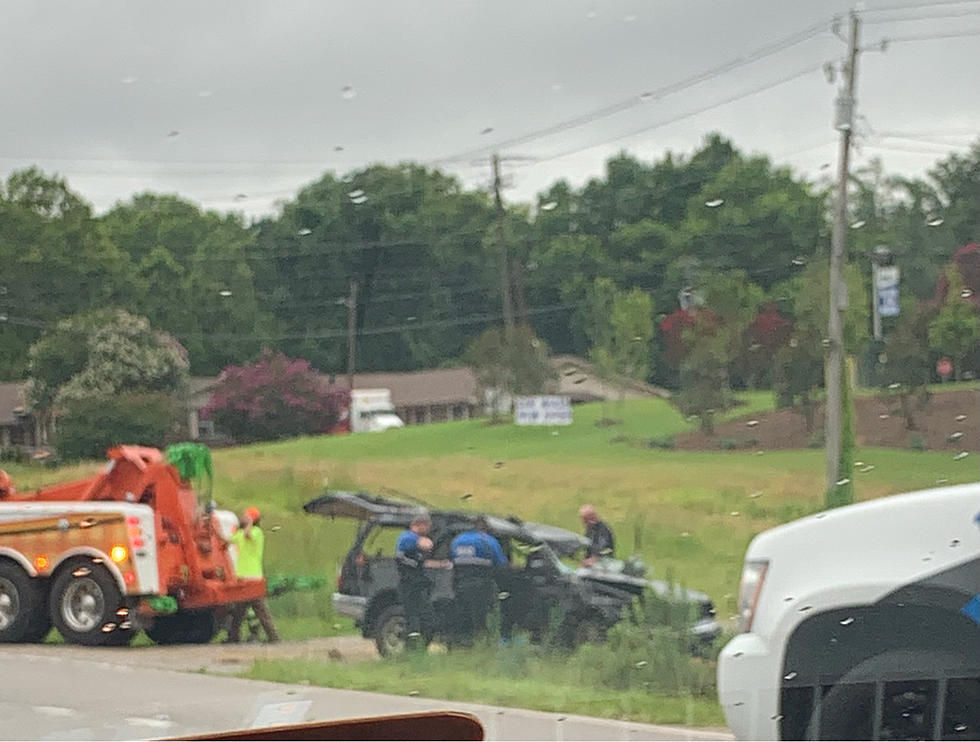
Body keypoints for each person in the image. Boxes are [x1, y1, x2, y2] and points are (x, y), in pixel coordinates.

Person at [449, 515, 507, 646]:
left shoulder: (457, 541)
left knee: (463, 615)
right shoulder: (488, 541)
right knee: (480, 617)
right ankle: (481, 643)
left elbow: (452, 560)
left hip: (460, 585)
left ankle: (461, 644)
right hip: (482, 585)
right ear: (485, 527)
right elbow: (502, 564)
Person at [226, 506, 280, 643]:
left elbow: (247, 535)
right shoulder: (240, 533)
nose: (242, 517)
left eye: (246, 515)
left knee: (260, 610)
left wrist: (249, 523)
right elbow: (227, 541)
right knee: (239, 611)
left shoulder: (257, 532)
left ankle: (273, 637)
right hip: (243, 578)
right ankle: (233, 637)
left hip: (253, 578)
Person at [395, 512, 436, 650]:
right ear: (419, 525)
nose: (428, 530)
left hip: (416, 586)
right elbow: (427, 544)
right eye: (428, 527)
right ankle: (412, 649)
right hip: (409, 586)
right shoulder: (407, 537)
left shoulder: (413, 542)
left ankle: (420, 647)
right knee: (413, 619)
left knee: (425, 617)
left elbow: (421, 562)